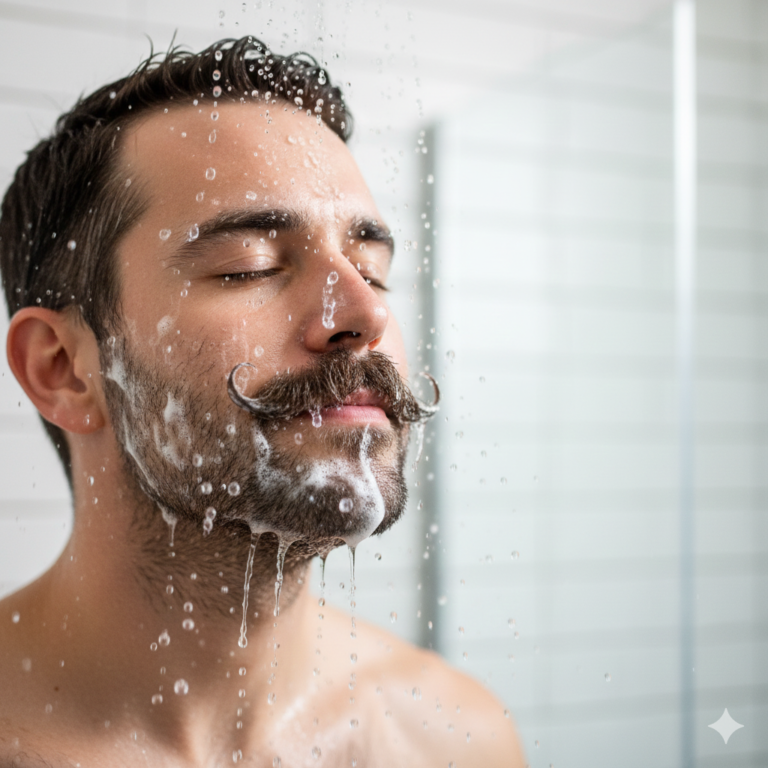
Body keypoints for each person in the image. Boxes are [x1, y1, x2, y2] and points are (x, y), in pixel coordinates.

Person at [0, 37, 523, 767]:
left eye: (371, 272)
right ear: (62, 369)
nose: (362, 317)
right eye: (251, 267)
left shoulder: (452, 737)